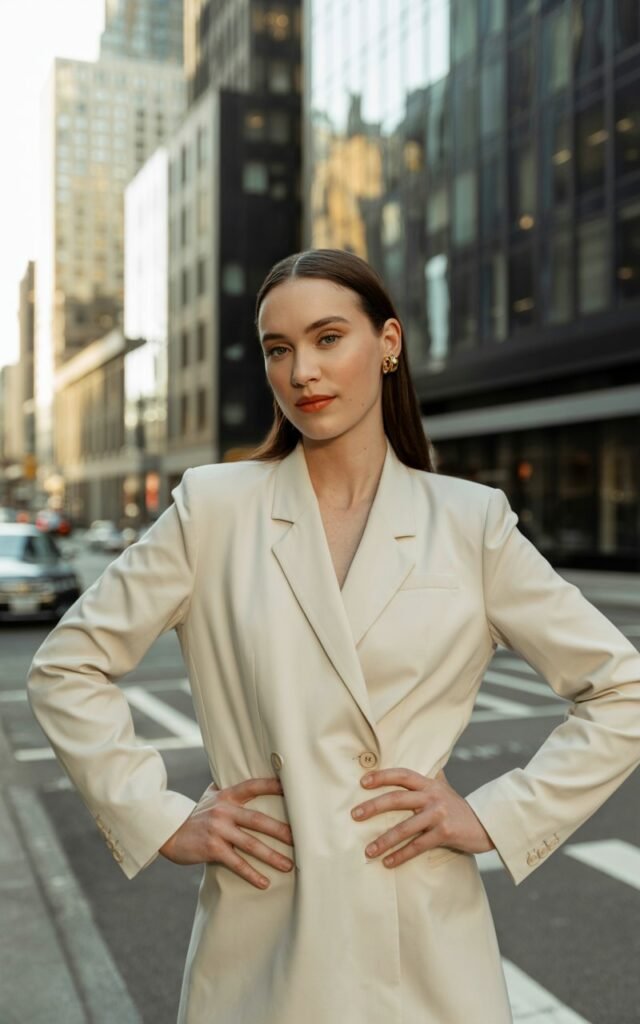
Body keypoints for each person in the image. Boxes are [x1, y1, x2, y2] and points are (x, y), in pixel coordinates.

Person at [27, 249, 640, 1024]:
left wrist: (496, 815)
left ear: (388, 344)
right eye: (278, 349)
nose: (302, 372)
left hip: (422, 938)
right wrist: (159, 817)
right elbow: (67, 667)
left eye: (327, 338)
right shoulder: (214, 509)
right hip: (263, 937)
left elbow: (622, 689)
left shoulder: (469, 522)